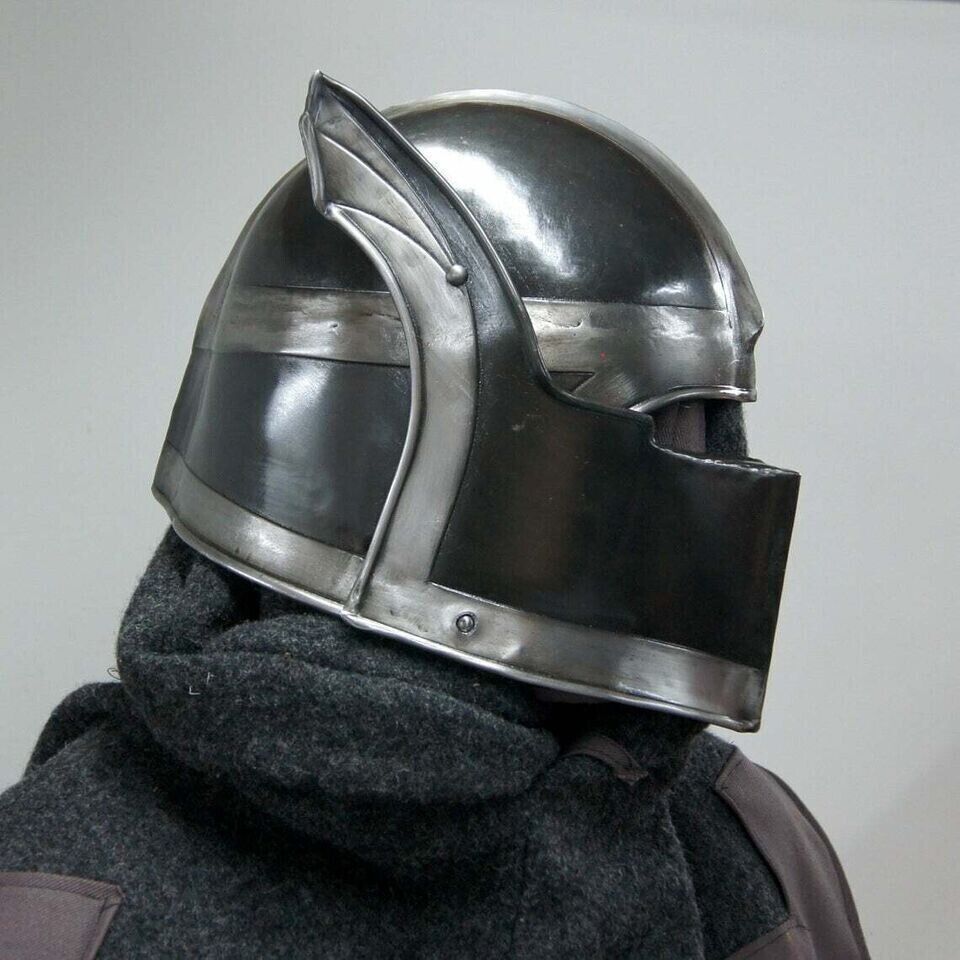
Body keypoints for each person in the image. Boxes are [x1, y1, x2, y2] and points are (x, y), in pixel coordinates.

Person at [0, 72, 870, 959]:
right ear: (457, 442)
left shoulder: (752, 845)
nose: (718, 470)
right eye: (674, 425)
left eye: (716, 429)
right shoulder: (49, 907)